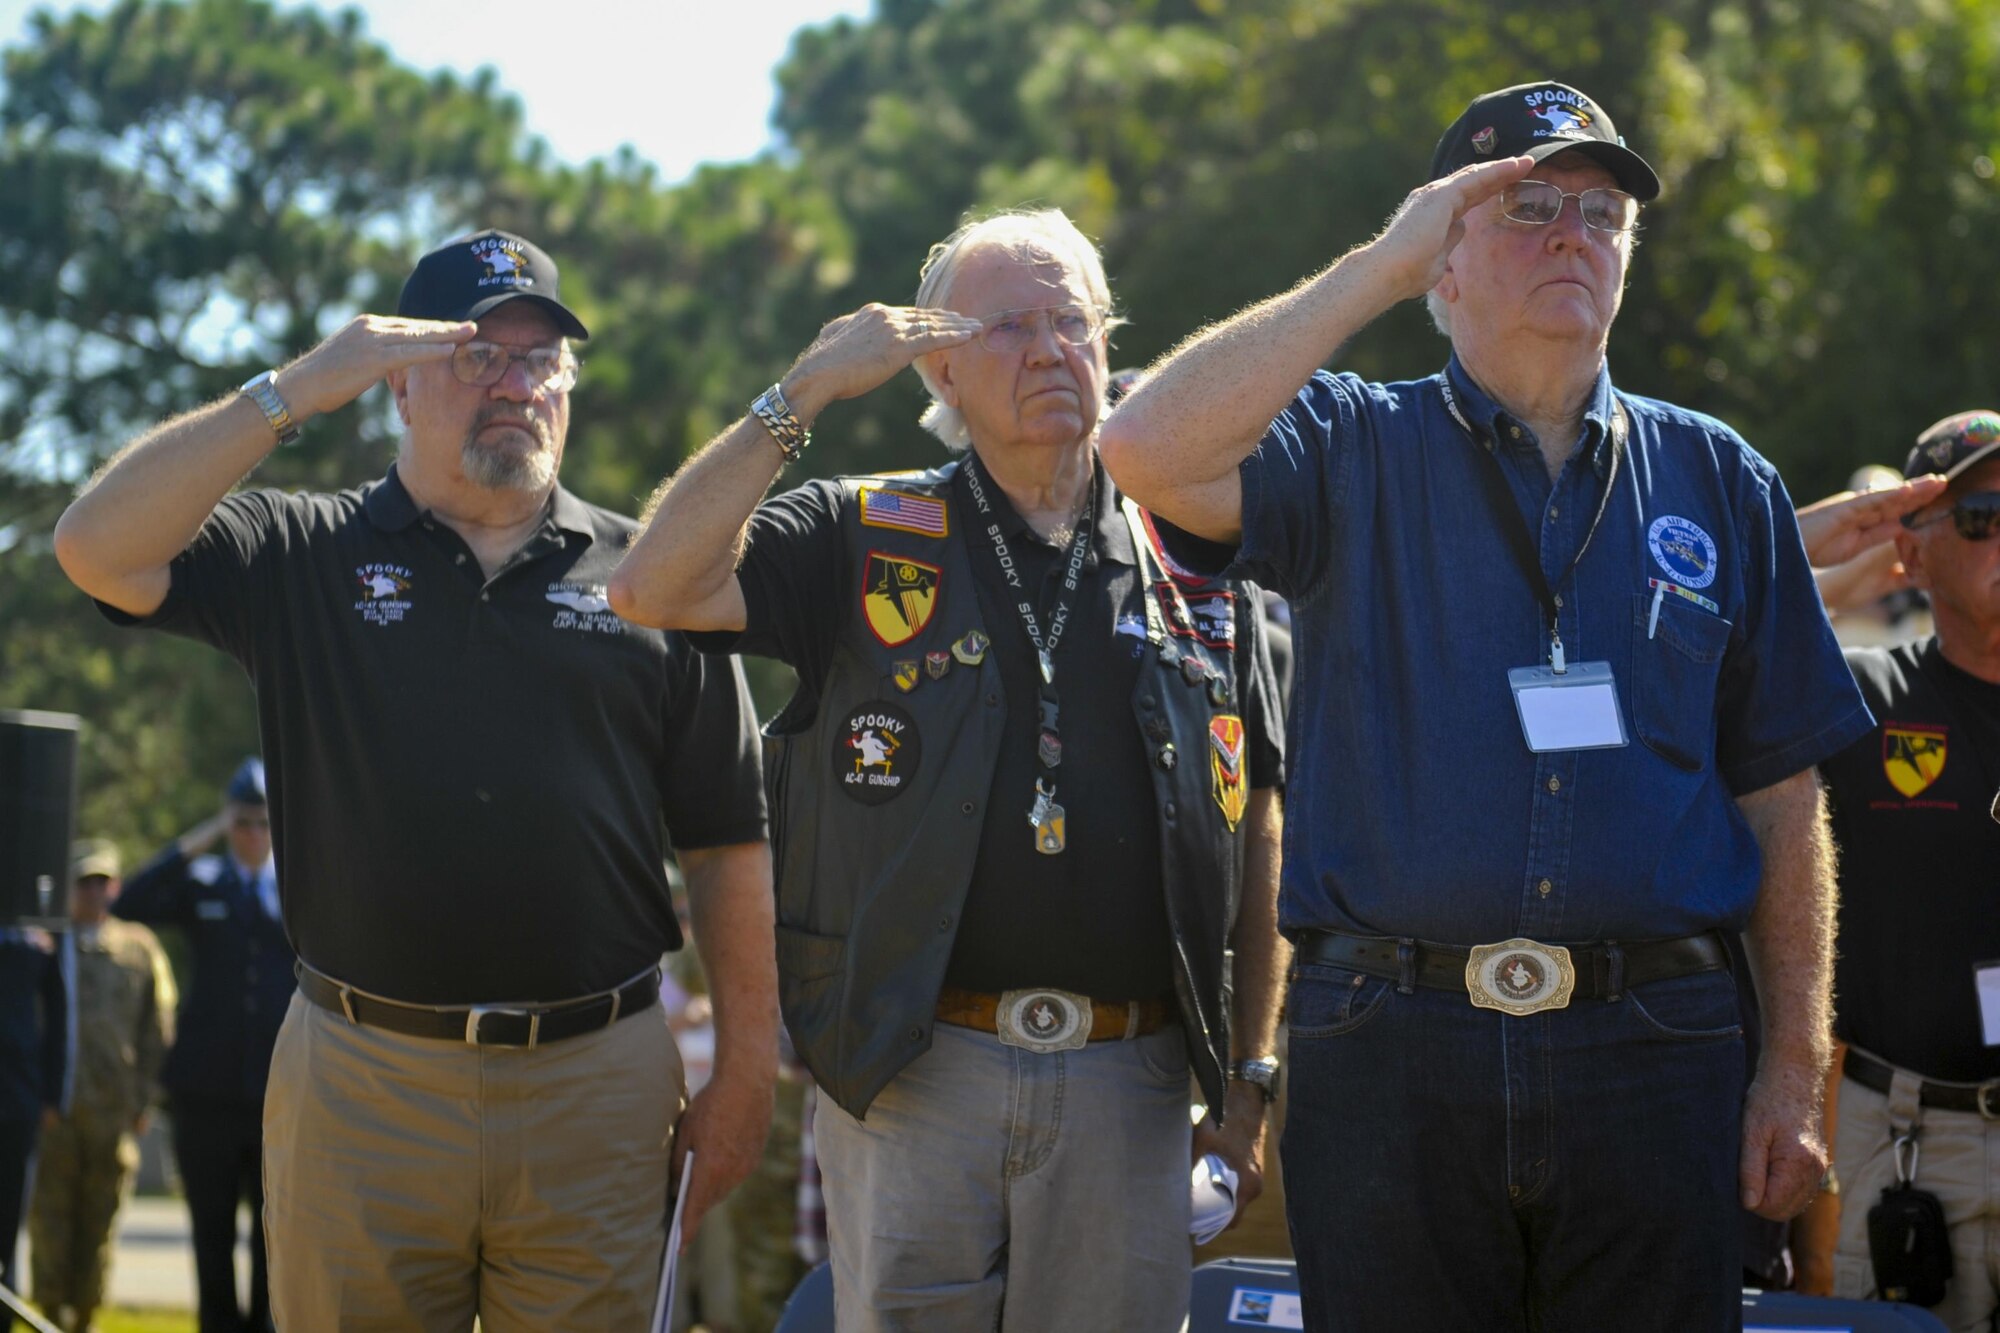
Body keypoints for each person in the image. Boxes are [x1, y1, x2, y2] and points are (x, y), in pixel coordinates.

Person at [1098, 81, 1871, 1330]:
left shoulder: (1719, 478)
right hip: (1391, 1045)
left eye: (1600, 212)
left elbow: (1782, 800)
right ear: (1439, 259)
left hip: (1654, 1046)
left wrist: (1791, 1066)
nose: (1573, 233)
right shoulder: (1349, 443)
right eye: (1523, 207)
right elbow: (1141, 449)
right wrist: (1369, 271)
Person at [51, 229, 776, 1330]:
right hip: (361, 1083)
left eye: (541, 360)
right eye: (476, 356)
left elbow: (728, 841)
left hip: (598, 1087)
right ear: (393, 380)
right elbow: (97, 547)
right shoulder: (301, 549)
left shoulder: (653, 577)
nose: (515, 386)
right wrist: (294, 390)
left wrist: (743, 1073)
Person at [608, 208, 1287, 1332]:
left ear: (1109, 343)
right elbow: (651, 586)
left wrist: (1251, 1082)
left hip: (1133, 1079)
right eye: (1007, 326)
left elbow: (1260, 822)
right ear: (940, 369)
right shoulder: (866, 530)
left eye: (1070, 320)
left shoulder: (1200, 560)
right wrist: (804, 393)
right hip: (914, 1075)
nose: (1046, 350)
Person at [1805, 412, 2000, 1331]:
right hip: (1915, 1141)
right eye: (1979, 516)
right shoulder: (1862, 696)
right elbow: (1685, 651)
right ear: (1909, 554)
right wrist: (1812, 551)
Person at [114, 757, 290, 1332]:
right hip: (206, 1092)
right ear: (228, 823)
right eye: (243, 823)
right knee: (210, 1230)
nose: (253, 836)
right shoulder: (203, 880)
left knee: (276, 1236)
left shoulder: (297, 887)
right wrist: (204, 836)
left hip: (277, 1094)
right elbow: (129, 901)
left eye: (264, 823)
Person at [28, 841, 174, 1333]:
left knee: (98, 1228)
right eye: (83, 882)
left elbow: (158, 1027)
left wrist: (142, 1098)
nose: (93, 892)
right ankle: (49, 1315)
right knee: (50, 1226)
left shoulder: (138, 948)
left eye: (101, 882)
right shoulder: (47, 945)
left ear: (114, 887)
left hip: (112, 1116)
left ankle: (84, 1319)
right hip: (56, 1114)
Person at [0, 923, 66, 1331]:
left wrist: (51, 1095)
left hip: (16, 1101)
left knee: (8, 1228)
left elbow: (58, 1019)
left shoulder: (34, 940)